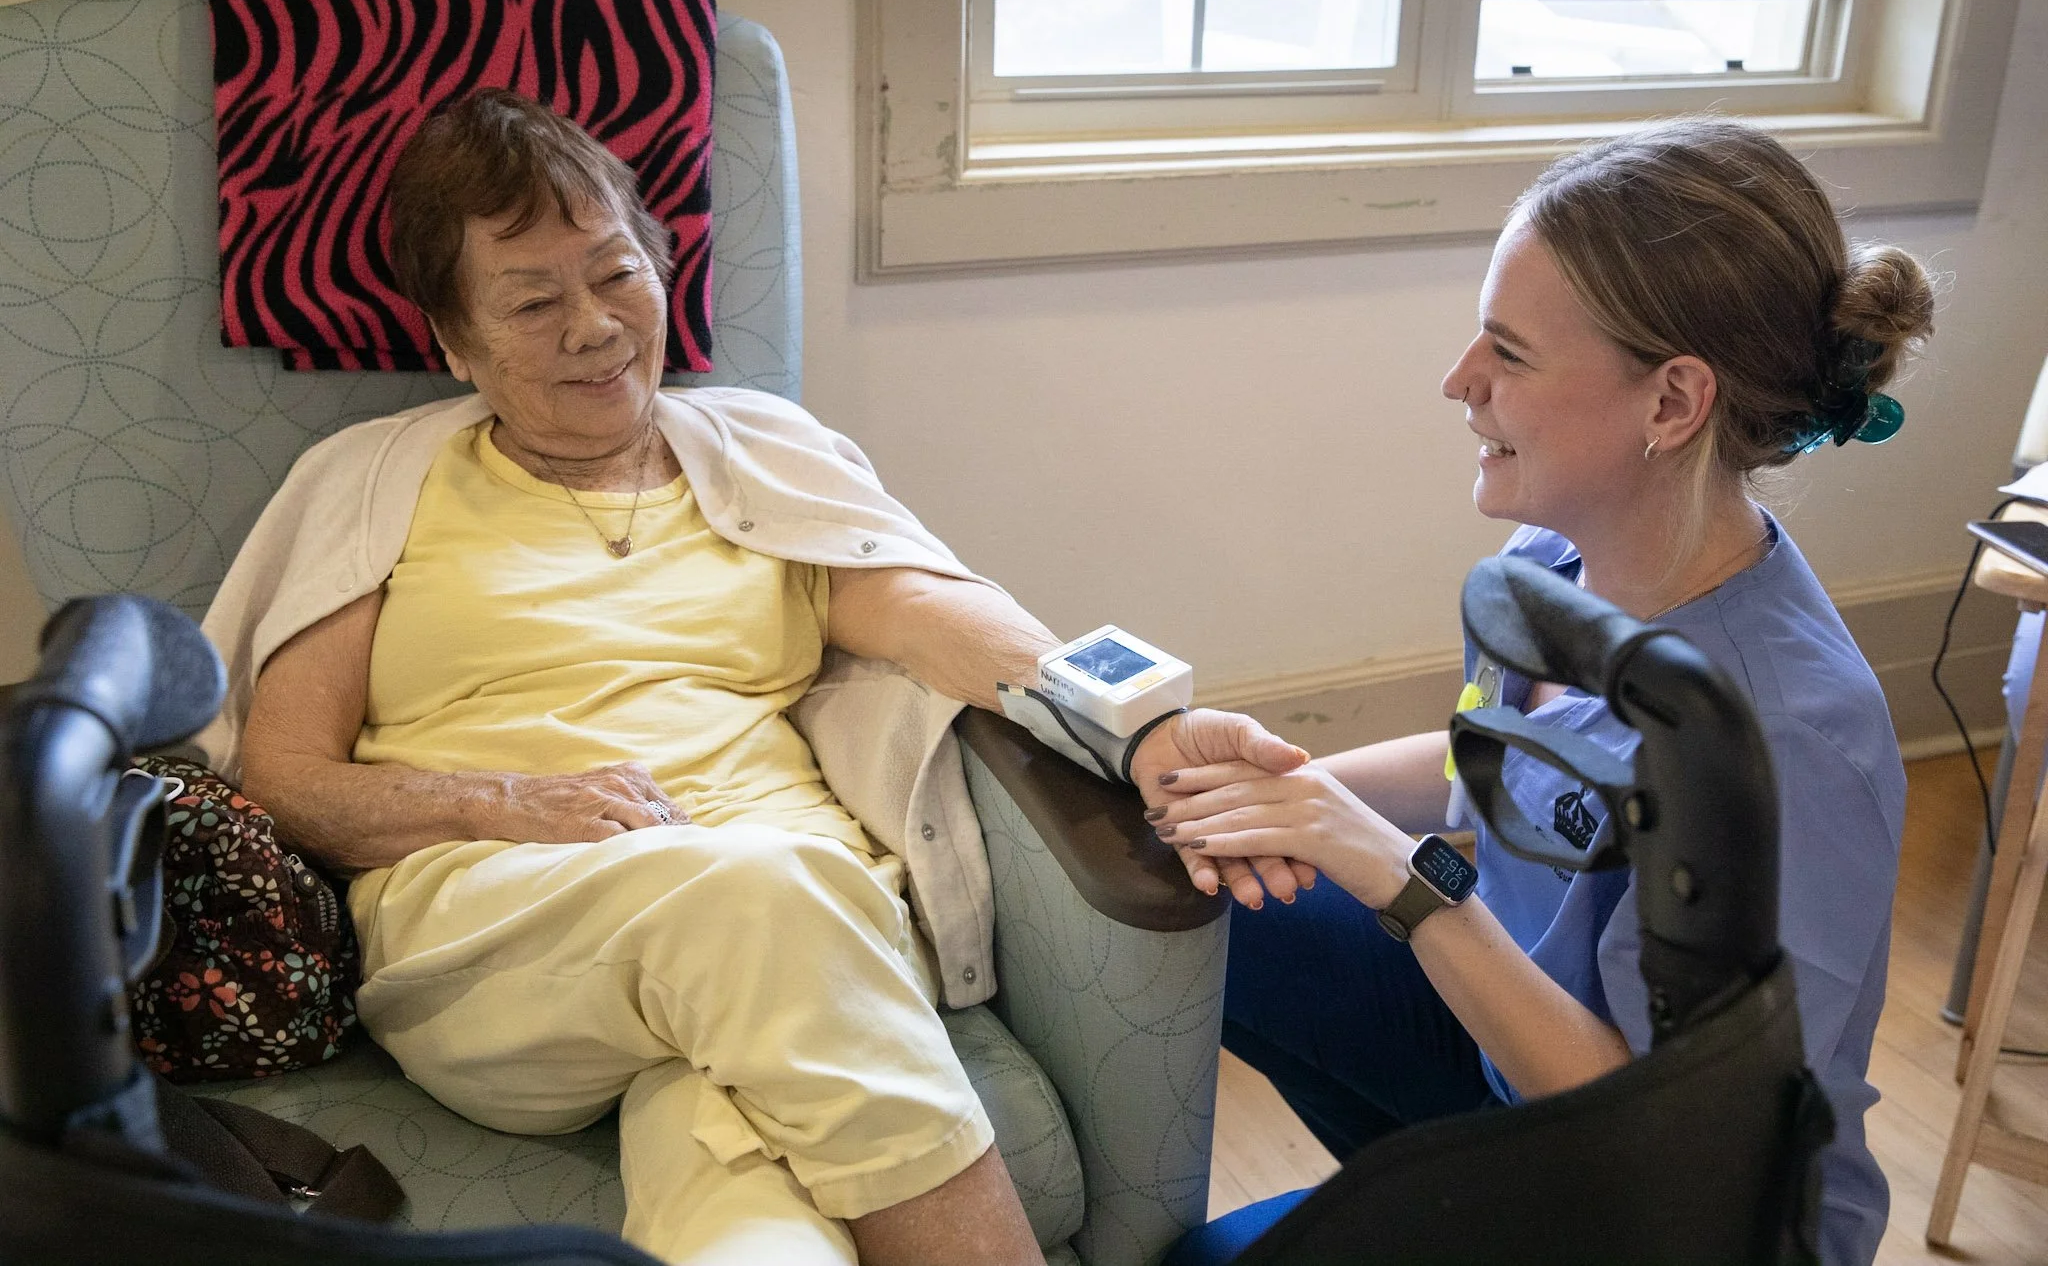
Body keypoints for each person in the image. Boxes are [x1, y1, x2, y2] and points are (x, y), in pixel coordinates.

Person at [198, 89, 1294, 1266]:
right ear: (455, 341)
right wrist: (504, 802)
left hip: (810, 931)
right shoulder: (375, 484)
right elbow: (286, 775)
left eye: (616, 274)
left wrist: (1135, 730)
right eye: (531, 300)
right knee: (759, 899)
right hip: (500, 929)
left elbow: (933, 609)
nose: (593, 327)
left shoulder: (763, 456)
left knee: (747, 1209)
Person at [1143, 117, 1933, 1266]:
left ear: (1670, 405)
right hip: (1510, 1053)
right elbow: (1495, 757)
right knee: (1201, 883)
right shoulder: (1552, 566)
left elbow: (1664, 1137)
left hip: (1667, 1207)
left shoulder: (1786, 743)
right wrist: (1279, 790)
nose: (1457, 382)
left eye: (1507, 355)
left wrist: (1393, 874)